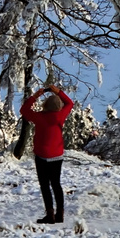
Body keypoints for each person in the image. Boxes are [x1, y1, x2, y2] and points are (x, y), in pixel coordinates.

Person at [19, 84, 74, 224]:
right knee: (56, 184)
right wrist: (59, 92)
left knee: (45, 185)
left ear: (45, 105)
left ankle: (50, 214)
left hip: (42, 155)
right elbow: (70, 103)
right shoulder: (60, 116)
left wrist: (35, 96)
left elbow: (24, 110)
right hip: (57, 155)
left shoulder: (39, 117)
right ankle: (60, 214)